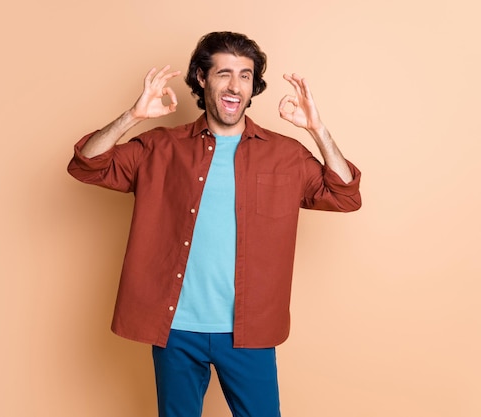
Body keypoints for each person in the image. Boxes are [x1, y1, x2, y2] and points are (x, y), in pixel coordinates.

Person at [68, 31, 361, 417]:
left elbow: (344, 195)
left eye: (245, 75)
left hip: (249, 329)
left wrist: (317, 130)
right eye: (224, 73)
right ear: (202, 79)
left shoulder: (284, 154)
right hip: (175, 328)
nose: (235, 85)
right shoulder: (161, 147)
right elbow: (87, 165)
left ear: (254, 85)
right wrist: (133, 116)